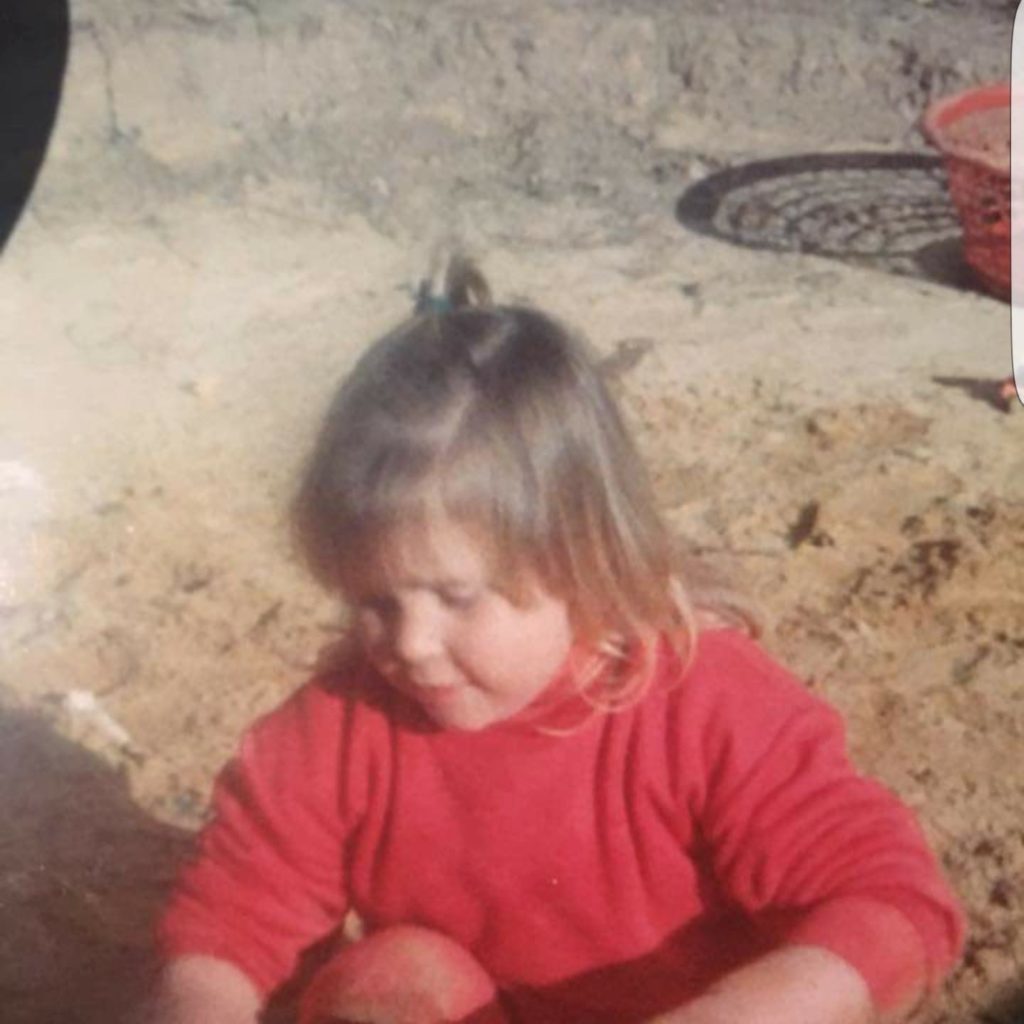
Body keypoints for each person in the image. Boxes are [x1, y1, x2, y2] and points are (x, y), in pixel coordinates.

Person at [146, 256, 964, 1024]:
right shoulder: (346, 722)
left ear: (583, 557)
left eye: (457, 598)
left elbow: (893, 903)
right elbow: (230, 923)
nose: (413, 644)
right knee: (396, 978)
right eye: (374, 601)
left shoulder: (703, 703)